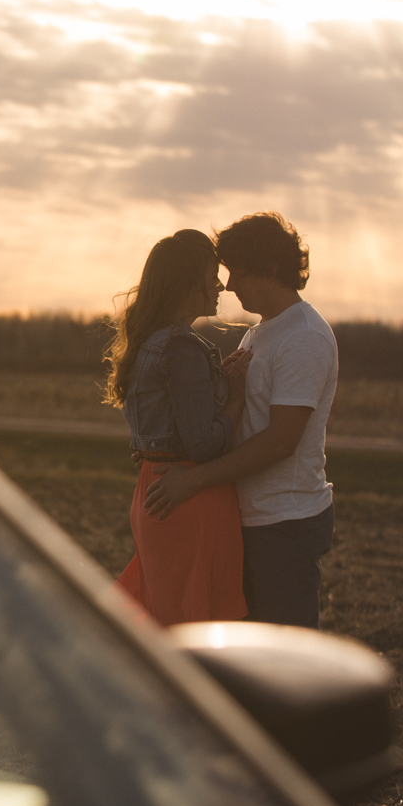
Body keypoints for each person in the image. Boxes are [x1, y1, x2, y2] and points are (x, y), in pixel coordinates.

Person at [143, 213, 337, 630]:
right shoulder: (261, 333)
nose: (228, 285)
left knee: (285, 665)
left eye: (238, 273)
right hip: (249, 520)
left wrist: (194, 479)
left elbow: (280, 441)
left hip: (284, 525)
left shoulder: (304, 337)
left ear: (270, 269)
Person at [105, 229, 250, 626]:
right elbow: (202, 444)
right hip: (187, 497)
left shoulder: (147, 340)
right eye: (211, 276)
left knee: (160, 617)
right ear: (187, 286)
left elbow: (158, 426)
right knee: (191, 629)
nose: (219, 285)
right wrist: (236, 398)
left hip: (153, 489)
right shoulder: (182, 347)